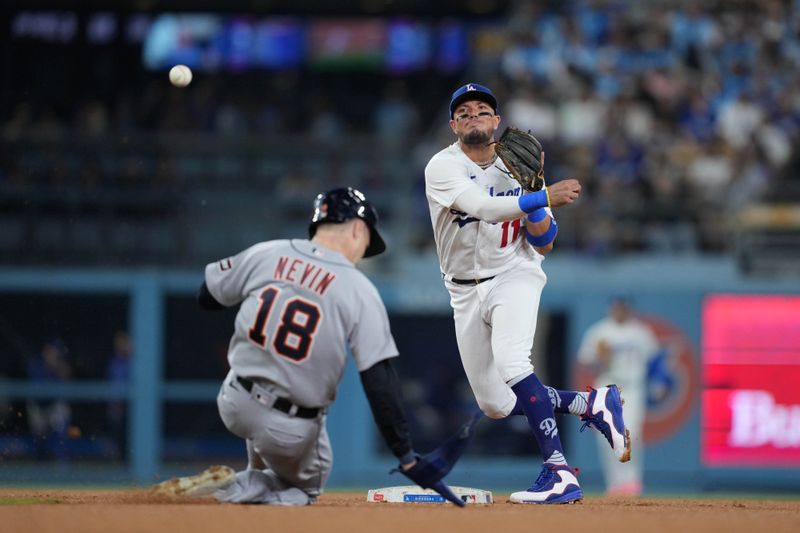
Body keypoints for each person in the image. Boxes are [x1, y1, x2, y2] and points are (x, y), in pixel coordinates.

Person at [153, 187, 466, 506]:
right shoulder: (359, 288)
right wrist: (405, 455)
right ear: (358, 228)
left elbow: (207, 296)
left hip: (234, 399)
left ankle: (250, 478)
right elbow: (379, 381)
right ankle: (234, 489)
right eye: (367, 243)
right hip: (288, 427)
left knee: (267, 432)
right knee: (305, 488)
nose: (363, 253)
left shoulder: (268, 252)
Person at [424, 82, 631, 504]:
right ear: (453, 125)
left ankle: (558, 472)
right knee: (495, 404)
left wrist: (537, 200)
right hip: (462, 290)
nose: (473, 116)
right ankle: (589, 405)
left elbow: (545, 241)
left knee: (514, 360)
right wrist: (543, 194)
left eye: (482, 110)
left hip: (514, 273)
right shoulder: (441, 166)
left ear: (497, 121)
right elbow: (481, 207)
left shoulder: (519, 166)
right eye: (463, 113)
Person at [577, 297, 658, 496]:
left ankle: (632, 481)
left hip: (633, 387)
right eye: (616, 307)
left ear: (629, 309)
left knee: (631, 433)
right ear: (611, 309)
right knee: (607, 435)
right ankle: (614, 483)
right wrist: (600, 357)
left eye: (624, 307)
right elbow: (585, 361)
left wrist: (658, 383)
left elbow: (655, 360)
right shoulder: (600, 331)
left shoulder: (641, 332)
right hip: (607, 384)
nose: (620, 310)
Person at [26, 338, 73, 460]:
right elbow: (37, 388)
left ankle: (62, 463)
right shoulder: (35, 363)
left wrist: (56, 366)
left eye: (55, 351)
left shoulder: (60, 364)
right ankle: (39, 463)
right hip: (37, 406)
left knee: (61, 422)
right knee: (39, 436)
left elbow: (66, 380)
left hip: (53, 406)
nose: (53, 353)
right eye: (50, 350)